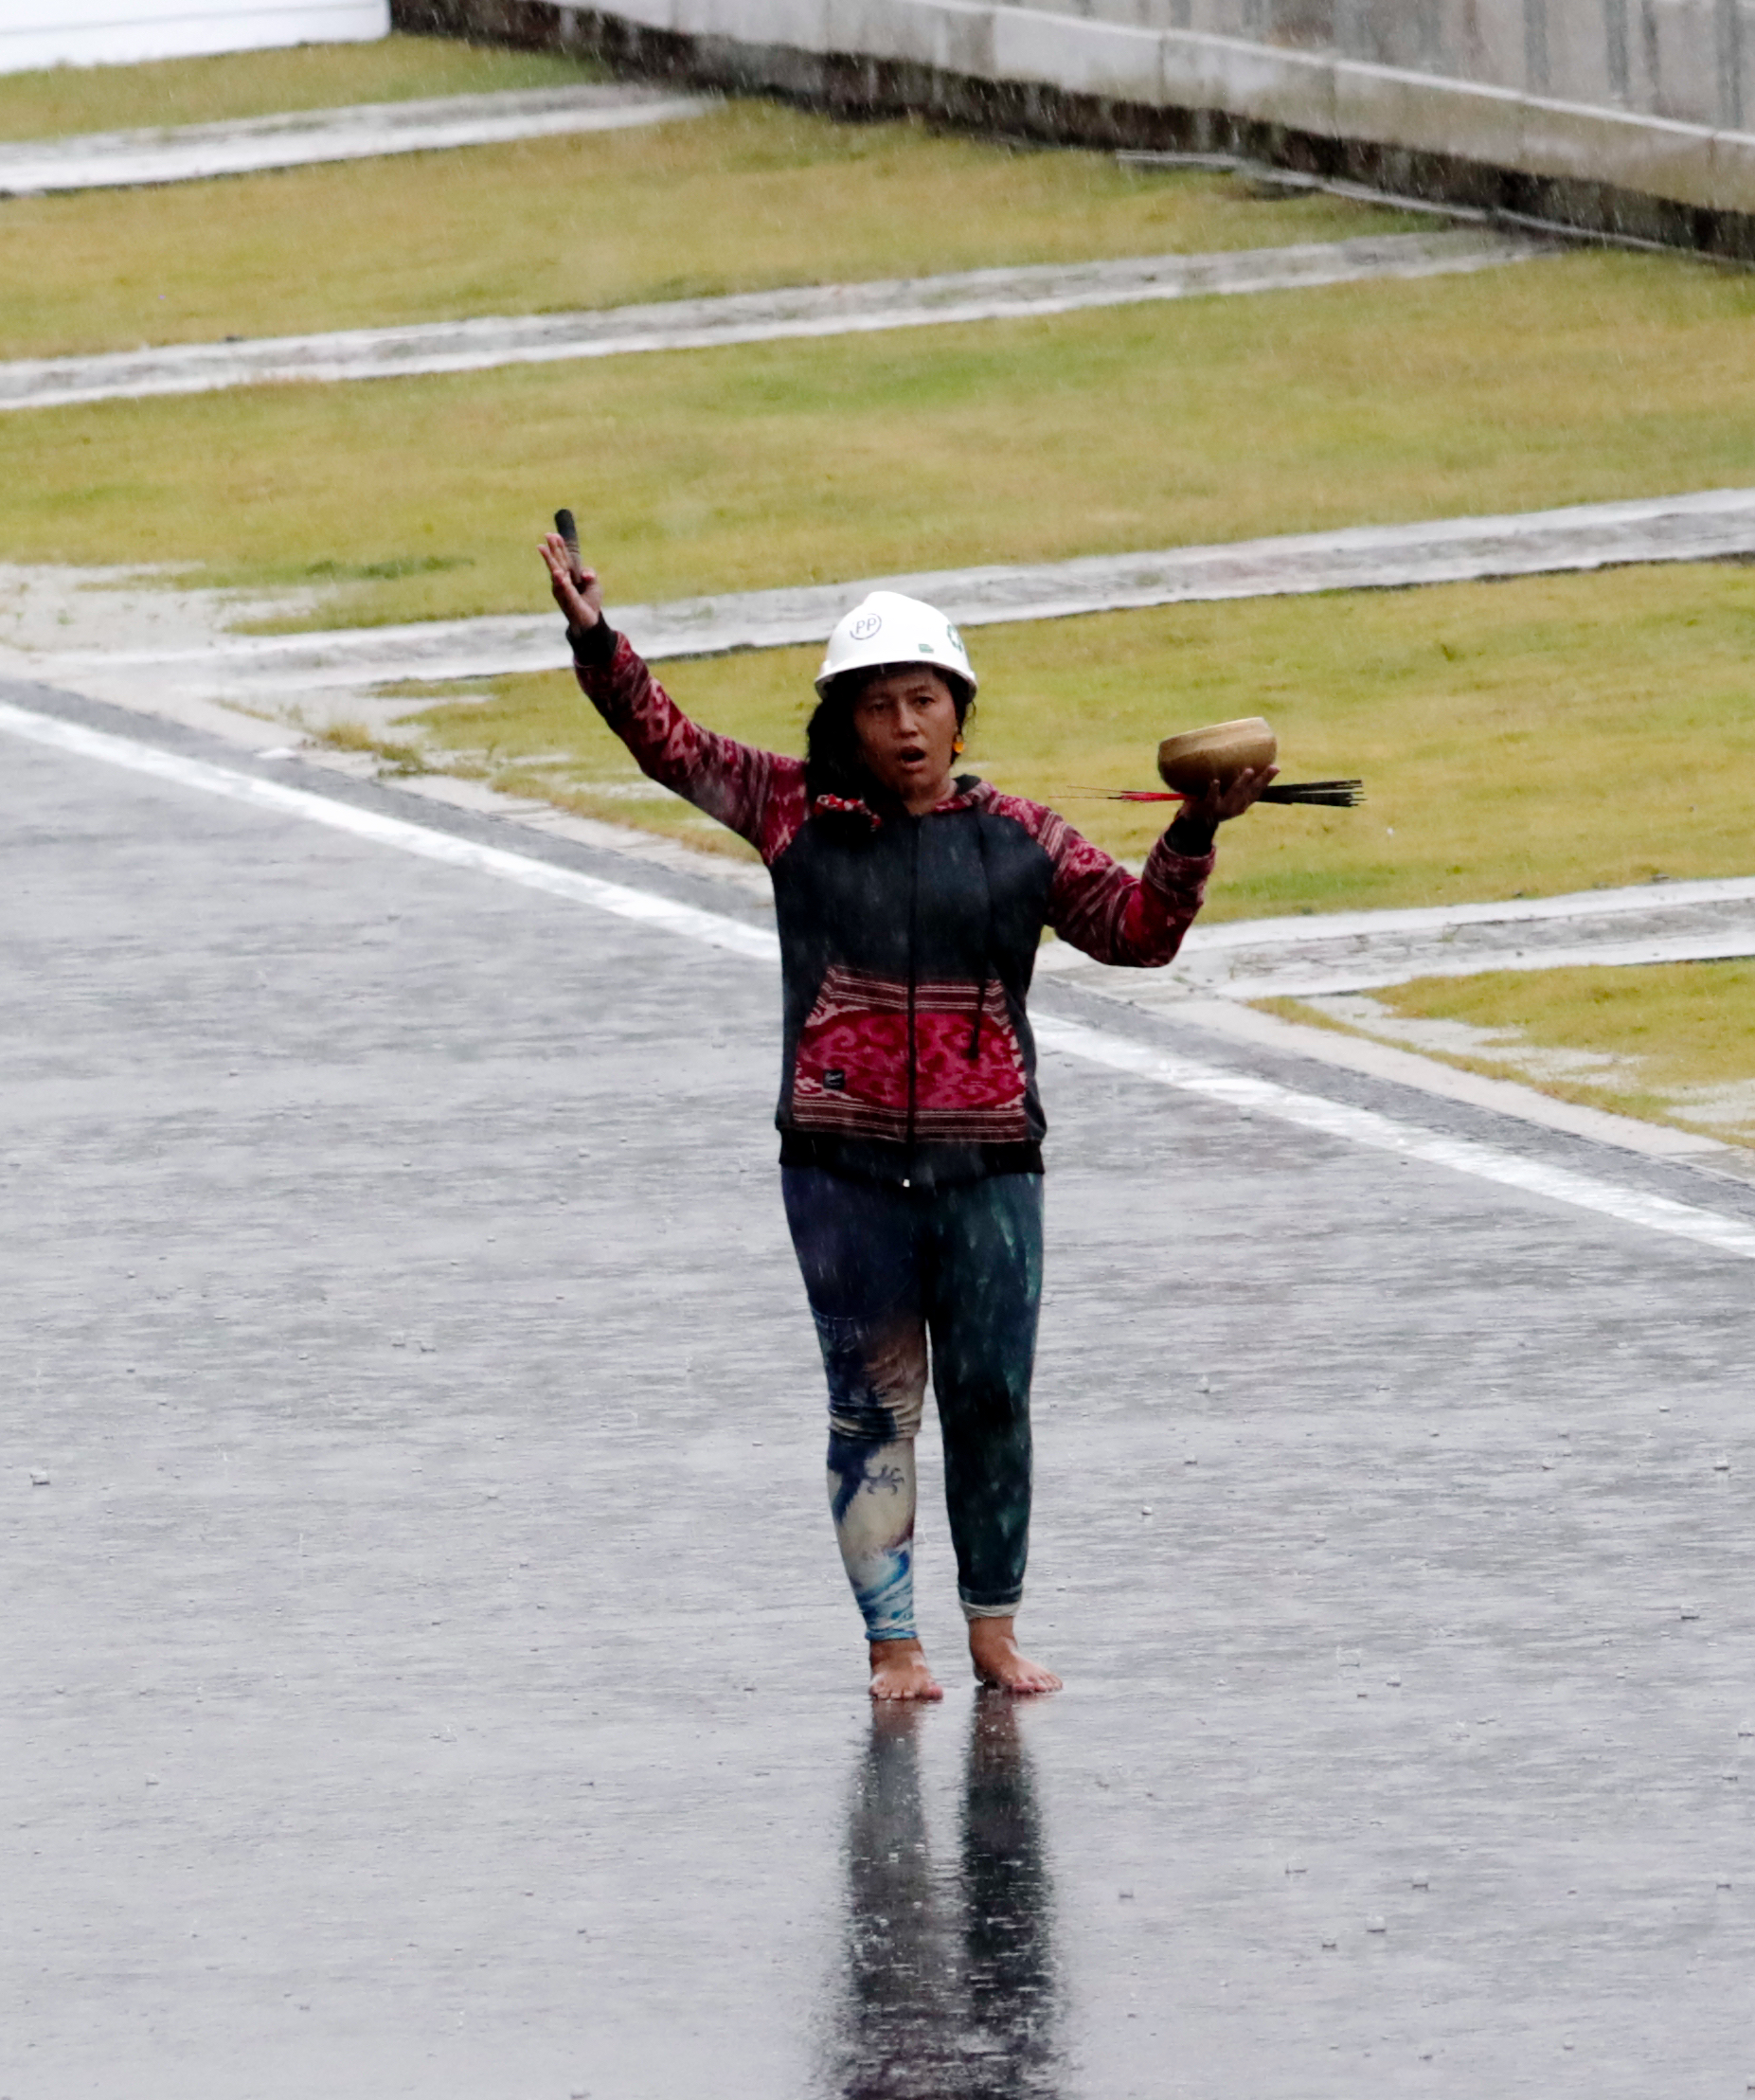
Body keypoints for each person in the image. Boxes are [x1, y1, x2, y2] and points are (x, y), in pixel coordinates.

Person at [541, 530, 1269, 1701]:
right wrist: (593, 636)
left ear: (959, 711)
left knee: (992, 1398)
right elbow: (663, 741)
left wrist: (1194, 832)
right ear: (844, 721)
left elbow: (1139, 932)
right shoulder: (788, 809)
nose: (905, 726)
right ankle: (893, 1644)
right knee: (873, 1402)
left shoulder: (1022, 836)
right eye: (877, 706)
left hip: (992, 1168)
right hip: (839, 1167)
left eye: (923, 699)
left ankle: (991, 1630)